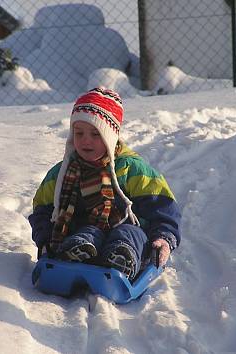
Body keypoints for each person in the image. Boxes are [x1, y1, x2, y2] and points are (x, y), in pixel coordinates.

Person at [28, 87, 181, 279]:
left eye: (95, 134)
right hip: (86, 234)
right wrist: (45, 239)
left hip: (130, 233)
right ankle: (76, 254)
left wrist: (163, 238)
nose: (86, 141)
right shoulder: (62, 173)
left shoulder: (131, 169)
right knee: (87, 232)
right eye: (79, 133)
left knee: (128, 233)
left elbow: (163, 207)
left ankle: (121, 260)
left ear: (110, 137)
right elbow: (43, 210)